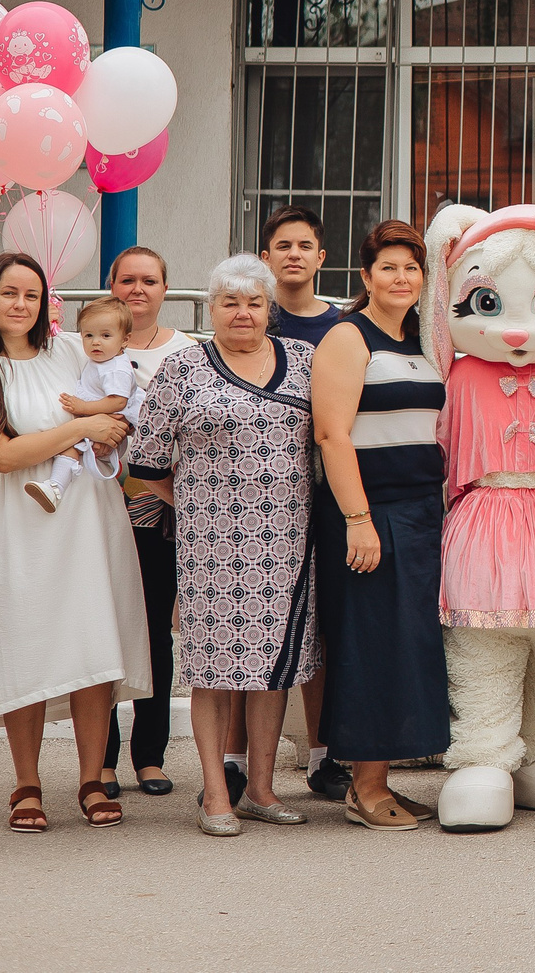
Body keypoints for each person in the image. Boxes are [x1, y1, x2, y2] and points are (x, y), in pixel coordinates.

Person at [0, 253, 150, 834]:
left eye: (32, 295)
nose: (21, 304)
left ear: (45, 303)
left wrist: (108, 437)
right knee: (26, 638)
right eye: (9, 293)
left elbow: (118, 410)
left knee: (92, 637)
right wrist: (81, 428)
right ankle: (27, 782)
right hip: (24, 517)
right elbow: (2, 455)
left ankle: (92, 778)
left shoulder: (73, 350)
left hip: (88, 512)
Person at [125, 255, 321, 837]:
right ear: (212, 308)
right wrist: (197, 502)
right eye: (230, 302)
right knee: (212, 670)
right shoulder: (182, 368)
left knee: (273, 668)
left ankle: (261, 789)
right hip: (211, 550)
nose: (242, 312)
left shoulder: (304, 361)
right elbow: (146, 462)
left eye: (254, 302)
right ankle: (215, 791)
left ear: (269, 308)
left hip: (288, 543)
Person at [311, 218, 451, 831]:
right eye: (388, 267)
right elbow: (331, 434)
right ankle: (364, 788)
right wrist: (358, 519)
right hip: (369, 512)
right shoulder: (348, 337)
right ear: (366, 277)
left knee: (407, 646)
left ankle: (382, 779)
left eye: (411, 268)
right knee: (371, 646)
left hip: (421, 512)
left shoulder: (420, 342)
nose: (401, 278)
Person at [96, 247, 197, 799]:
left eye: (150, 280)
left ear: (165, 289)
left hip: (161, 509)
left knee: (155, 628)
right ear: (111, 284)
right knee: (103, 629)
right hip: (95, 505)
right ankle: (102, 759)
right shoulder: (85, 345)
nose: (138, 289)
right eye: (127, 279)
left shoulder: (189, 352)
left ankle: (150, 756)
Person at [28, 296, 137, 514]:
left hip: (105, 426)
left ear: (125, 340)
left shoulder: (116, 369)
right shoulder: (102, 361)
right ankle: (55, 486)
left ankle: (56, 487)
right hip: (97, 424)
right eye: (88, 335)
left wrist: (83, 408)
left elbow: (119, 401)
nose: (96, 342)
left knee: (69, 445)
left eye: (106, 335)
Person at [262, 204, 346, 347]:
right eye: (284, 246)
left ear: (320, 258)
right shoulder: (250, 319)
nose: (294, 254)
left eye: (305, 246)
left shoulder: (344, 325)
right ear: (266, 259)